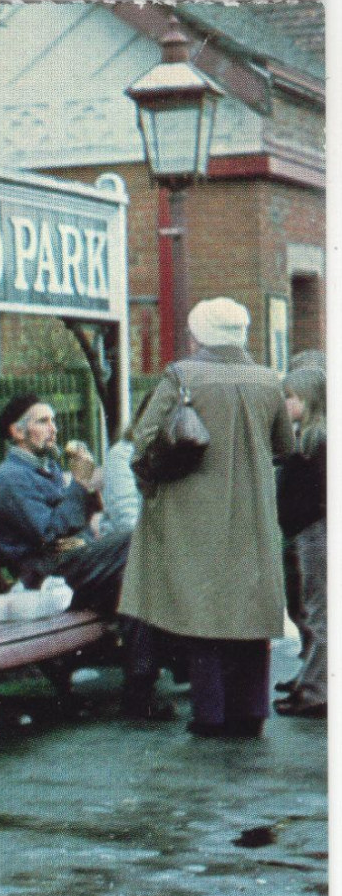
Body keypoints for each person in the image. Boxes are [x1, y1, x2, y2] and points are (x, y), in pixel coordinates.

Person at [117, 298, 295, 738]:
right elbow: (284, 445)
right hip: (253, 509)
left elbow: (142, 441)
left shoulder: (182, 375)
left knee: (203, 610)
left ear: (199, 334)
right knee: (250, 611)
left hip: (191, 509)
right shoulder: (269, 380)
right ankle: (252, 711)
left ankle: (211, 714)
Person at [0, 394, 129, 614]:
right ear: (17, 432)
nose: (54, 429)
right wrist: (79, 484)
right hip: (43, 577)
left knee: (136, 566)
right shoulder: (11, 478)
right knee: (133, 541)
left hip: (68, 565)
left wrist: (89, 522)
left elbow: (71, 526)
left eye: (53, 421)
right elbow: (49, 534)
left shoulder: (47, 469)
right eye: (43, 421)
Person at [274, 354, 325, 719]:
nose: (285, 403)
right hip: (306, 532)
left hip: (314, 534)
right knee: (312, 608)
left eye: (290, 397)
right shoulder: (306, 439)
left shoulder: (314, 441)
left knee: (319, 609)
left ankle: (316, 689)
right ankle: (311, 679)